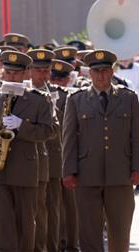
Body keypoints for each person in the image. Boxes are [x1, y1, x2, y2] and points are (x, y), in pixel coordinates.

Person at [62, 49, 139, 252]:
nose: (101, 75)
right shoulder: (76, 100)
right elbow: (69, 138)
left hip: (120, 174)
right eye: (96, 71)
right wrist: (68, 171)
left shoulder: (128, 98)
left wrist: (138, 168)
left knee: (120, 231)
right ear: (90, 73)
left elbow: (137, 136)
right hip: (87, 174)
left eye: (105, 70)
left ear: (112, 72)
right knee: (89, 232)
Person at [0, 51, 55, 251]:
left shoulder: (39, 100)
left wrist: (22, 126)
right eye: (8, 72)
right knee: (2, 225)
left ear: (26, 73)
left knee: (26, 225)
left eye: (16, 73)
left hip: (25, 170)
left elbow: (50, 130)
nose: (11, 77)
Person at [27, 48, 61, 252]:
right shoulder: (22, 93)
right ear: (30, 70)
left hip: (51, 158)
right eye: (39, 70)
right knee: (32, 211)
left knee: (48, 210)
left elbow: (57, 128)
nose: (43, 75)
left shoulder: (53, 95)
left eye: (46, 70)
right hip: (26, 159)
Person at [50, 59, 79, 252]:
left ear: (68, 80)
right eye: (54, 78)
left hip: (69, 156)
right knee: (53, 205)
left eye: (62, 79)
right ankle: (56, 242)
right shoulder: (44, 96)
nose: (57, 82)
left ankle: (71, 243)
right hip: (51, 157)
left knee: (71, 205)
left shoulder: (74, 97)